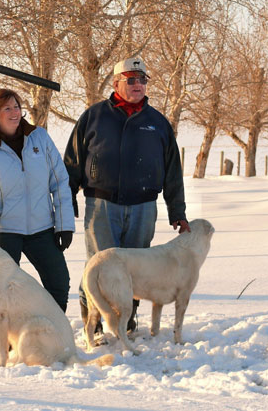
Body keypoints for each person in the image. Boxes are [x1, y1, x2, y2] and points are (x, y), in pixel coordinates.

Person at [63, 57, 190, 332]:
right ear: (116, 82)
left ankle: (125, 323)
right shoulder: (94, 116)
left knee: (135, 269)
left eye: (142, 79)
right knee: (98, 267)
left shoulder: (157, 123)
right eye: (131, 79)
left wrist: (177, 212)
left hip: (144, 207)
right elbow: (72, 162)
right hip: (101, 205)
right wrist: (65, 202)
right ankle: (92, 326)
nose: (137, 85)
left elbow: (172, 172)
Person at [0, 88, 75, 312]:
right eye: (7, 108)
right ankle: (10, 341)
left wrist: (64, 225)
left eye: (17, 106)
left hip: (42, 229)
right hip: (3, 233)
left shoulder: (40, 138)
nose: (14, 112)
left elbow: (59, 183)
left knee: (59, 282)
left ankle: (54, 331)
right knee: (4, 290)